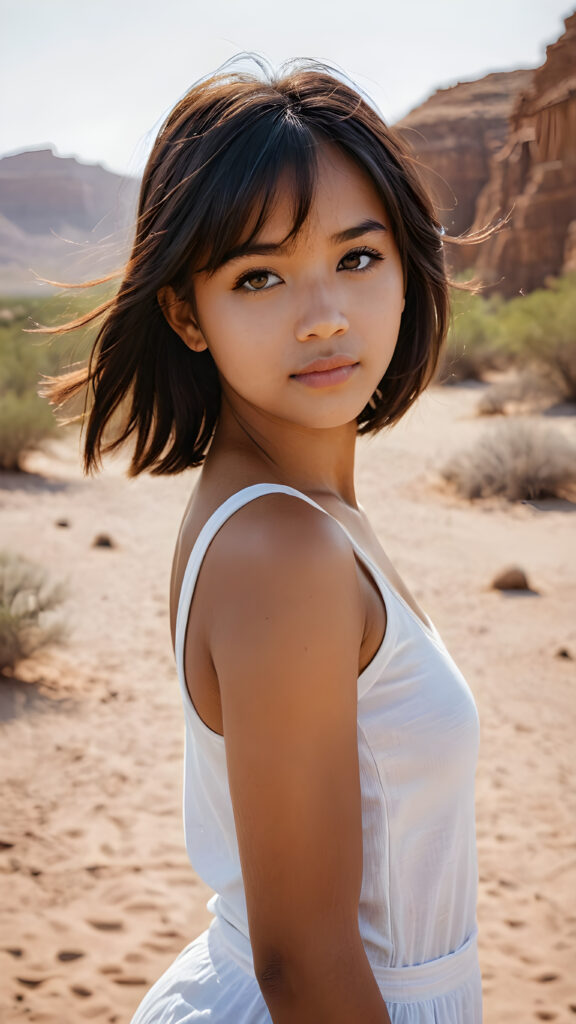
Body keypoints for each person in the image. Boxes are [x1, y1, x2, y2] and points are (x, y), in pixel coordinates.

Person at [42, 54, 492, 1023]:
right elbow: (303, 962)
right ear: (184, 312)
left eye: (357, 257)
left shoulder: (293, 508)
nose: (324, 316)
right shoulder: (282, 549)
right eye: (259, 277)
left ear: (408, 269)